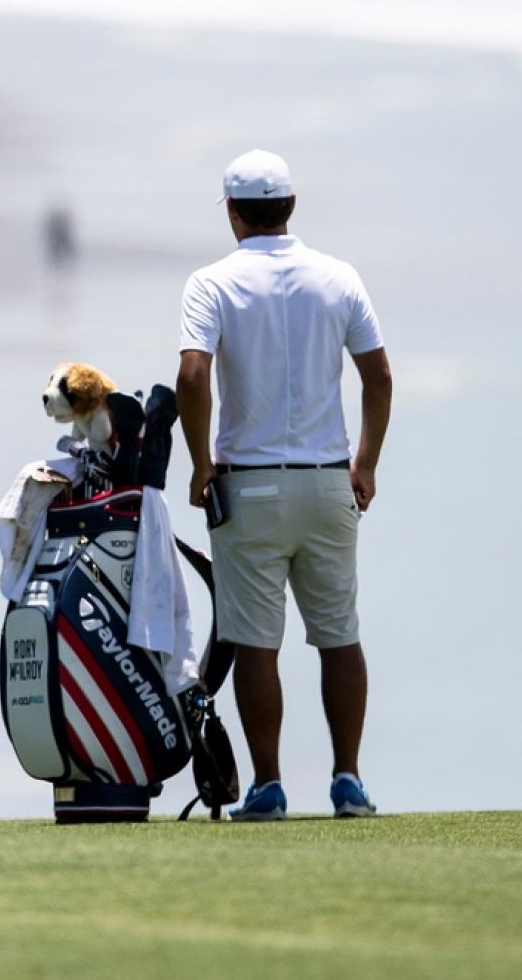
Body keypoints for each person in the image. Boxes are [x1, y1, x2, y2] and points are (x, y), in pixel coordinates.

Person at [175, 149, 392, 821]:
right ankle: (348, 780)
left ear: (234, 214)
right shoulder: (339, 277)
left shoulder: (211, 283)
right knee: (339, 635)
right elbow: (378, 378)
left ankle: (269, 786)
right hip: (330, 483)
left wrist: (200, 463)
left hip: (251, 486)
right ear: (291, 206)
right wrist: (366, 464)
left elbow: (191, 377)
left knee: (255, 642)